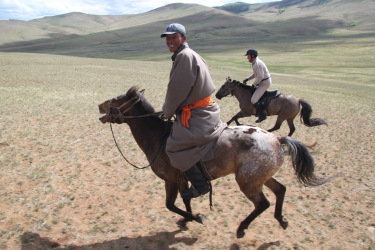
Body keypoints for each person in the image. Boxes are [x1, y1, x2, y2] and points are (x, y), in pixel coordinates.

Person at [160, 23, 226, 199]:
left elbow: (176, 90)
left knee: (173, 146)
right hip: (203, 109)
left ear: (183, 38)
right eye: (167, 38)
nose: (169, 41)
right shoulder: (190, 54)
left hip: (198, 115)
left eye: (174, 37)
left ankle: (200, 185)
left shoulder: (184, 56)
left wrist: (166, 112)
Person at [243, 48, 272, 123]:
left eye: (248, 56)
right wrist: (247, 79)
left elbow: (260, 76)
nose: (247, 57)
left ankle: (262, 115)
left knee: (254, 99)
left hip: (264, 83)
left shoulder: (257, 63)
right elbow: (255, 74)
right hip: (262, 81)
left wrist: (253, 84)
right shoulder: (255, 62)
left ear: (252, 56)